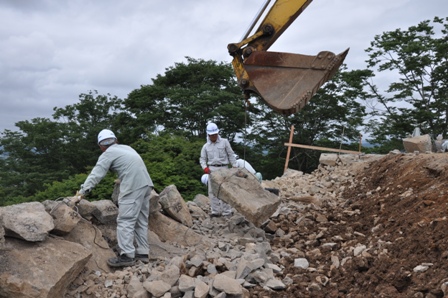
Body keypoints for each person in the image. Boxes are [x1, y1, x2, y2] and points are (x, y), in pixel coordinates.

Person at [78, 129, 154, 268]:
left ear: (101, 146)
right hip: (146, 184)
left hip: (132, 186)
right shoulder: (127, 148)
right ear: (116, 140)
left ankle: (127, 256)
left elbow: (96, 174)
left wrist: (82, 192)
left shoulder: (108, 153)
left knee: (125, 220)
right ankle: (143, 253)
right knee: (141, 219)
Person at [199, 122, 237, 217]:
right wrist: (205, 167)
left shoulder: (224, 142)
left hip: (224, 168)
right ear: (208, 135)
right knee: (212, 191)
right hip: (212, 169)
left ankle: (227, 212)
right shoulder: (206, 146)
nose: (214, 136)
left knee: (224, 190)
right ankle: (215, 211)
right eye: (212, 135)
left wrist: (234, 166)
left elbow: (230, 154)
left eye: (215, 134)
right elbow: (202, 159)